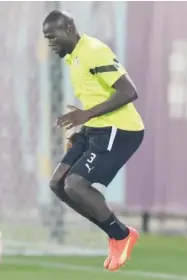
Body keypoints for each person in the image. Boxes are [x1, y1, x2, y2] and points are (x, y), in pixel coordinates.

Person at [43, 10, 144, 272]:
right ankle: (117, 234)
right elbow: (96, 95)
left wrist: (85, 114)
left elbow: (129, 91)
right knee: (58, 184)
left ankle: (121, 235)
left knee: (76, 184)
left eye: (52, 38)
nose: (50, 44)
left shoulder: (93, 51)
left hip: (120, 129)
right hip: (95, 128)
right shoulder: (73, 57)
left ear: (67, 29)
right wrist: (84, 126)